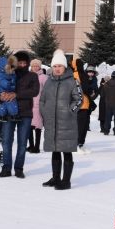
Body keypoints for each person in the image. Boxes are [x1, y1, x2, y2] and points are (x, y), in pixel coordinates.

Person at [38, 49, 82, 189]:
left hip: (67, 123)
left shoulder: (73, 81)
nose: (57, 69)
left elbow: (79, 99)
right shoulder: (48, 82)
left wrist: (70, 111)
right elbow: (42, 100)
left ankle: (66, 181)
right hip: (52, 122)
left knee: (66, 151)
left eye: (60, 66)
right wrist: (45, 113)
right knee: (55, 150)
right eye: (55, 66)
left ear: (65, 67)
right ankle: (55, 178)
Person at [0, 50, 40, 178]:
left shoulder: (32, 76)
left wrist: (16, 95)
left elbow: (34, 91)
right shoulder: (8, 73)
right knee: (7, 141)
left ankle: (19, 168)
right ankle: (6, 168)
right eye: (19, 62)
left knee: (22, 143)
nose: (21, 65)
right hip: (9, 113)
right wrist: (0, 96)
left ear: (27, 63)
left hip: (25, 113)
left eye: (24, 62)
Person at [27, 58, 47, 153]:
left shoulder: (43, 77)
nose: (35, 67)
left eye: (37, 66)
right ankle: (31, 145)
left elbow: (47, 91)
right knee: (29, 126)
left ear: (39, 67)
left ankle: (37, 147)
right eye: (33, 66)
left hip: (38, 105)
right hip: (28, 104)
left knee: (38, 127)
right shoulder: (27, 76)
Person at [99, 70, 115, 136]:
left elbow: (102, 95)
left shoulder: (106, 84)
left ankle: (106, 130)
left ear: (111, 76)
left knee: (108, 118)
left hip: (108, 104)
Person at [0, 54, 19, 119]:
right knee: (10, 102)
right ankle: (13, 115)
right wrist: (9, 84)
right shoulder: (1, 74)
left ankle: (2, 115)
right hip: (5, 91)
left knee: (6, 103)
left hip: (10, 91)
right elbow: (2, 82)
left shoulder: (13, 73)